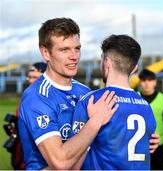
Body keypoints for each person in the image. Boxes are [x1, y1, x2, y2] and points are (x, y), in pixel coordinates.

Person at [18, 18, 119, 170]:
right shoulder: (37, 97)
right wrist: (96, 120)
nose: (74, 56)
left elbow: (106, 141)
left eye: (77, 48)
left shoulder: (85, 92)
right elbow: (60, 163)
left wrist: (142, 137)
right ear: (46, 52)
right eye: (64, 50)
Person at [70, 34, 157, 170]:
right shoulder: (146, 106)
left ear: (107, 62)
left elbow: (73, 163)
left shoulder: (92, 101)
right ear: (134, 68)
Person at [11, 62, 47, 170]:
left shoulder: (49, 100)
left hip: (41, 159)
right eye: (29, 77)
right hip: (23, 155)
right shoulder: (25, 97)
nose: (31, 81)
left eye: (35, 77)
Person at [138, 68, 163, 170]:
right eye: (144, 80)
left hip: (159, 147)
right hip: (138, 147)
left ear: (155, 82)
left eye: (149, 80)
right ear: (140, 82)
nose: (146, 83)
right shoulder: (133, 98)